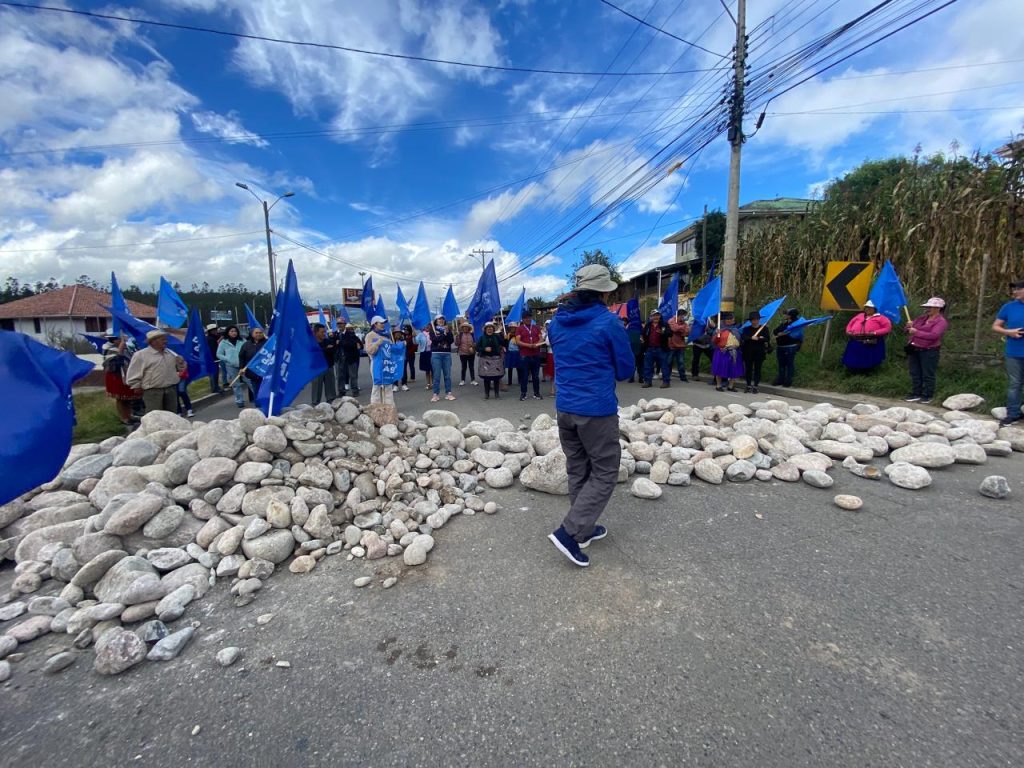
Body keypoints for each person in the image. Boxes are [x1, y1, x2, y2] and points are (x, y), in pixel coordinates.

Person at [546, 264, 635, 568]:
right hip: (596, 410)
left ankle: (582, 528)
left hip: (565, 407)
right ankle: (570, 532)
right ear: (605, 292)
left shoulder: (555, 324)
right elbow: (625, 370)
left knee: (578, 467)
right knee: (605, 469)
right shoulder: (609, 323)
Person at [125, 329, 185, 414]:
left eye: (165, 339)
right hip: (152, 391)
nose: (166, 341)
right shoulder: (141, 355)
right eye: (163, 339)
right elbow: (133, 372)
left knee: (172, 415)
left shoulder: (170, 353)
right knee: (155, 415)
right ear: (153, 341)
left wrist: (181, 363)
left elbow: (180, 369)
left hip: (171, 389)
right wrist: (136, 385)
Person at [905, 297, 949, 404]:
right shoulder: (921, 318)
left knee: (928, 373)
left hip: (929, 350)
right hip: (914, 348)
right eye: (927, 307)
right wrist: (908, 327)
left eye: (931, 307)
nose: (928, 309)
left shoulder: (941, 322)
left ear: (938, 309)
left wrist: (916, 332)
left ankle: (927, 395)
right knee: (915, 372)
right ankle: (916, 393)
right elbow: (908, 330)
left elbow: (934, 335)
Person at [992, 279, 1024, 426]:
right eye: (1014, 289)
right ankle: (1013, 413)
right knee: (1014, 384)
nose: (1014, 292)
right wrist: (1008, 332)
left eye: (1018, 289)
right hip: (1014, 352)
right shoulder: (1008, 307)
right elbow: (996, 326)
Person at [842, 300, 893, 371]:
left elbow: (887, 328)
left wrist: (875, 332)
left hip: (870, 340)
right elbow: (850, 323)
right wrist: (848, 331)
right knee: (852, 357)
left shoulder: (881, 318)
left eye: (869, 307)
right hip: (856, 339)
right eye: (866, 307)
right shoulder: (860, 315)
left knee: (868, 358)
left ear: (874, 309)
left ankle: (867, 372)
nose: (867, 309)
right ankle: (851, 370)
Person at [102, 334, 139, 425]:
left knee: (128, 398)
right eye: (120, 339)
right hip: (116, 376)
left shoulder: (127, 348)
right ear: (113, 340)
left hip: (127, 375)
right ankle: (124, 417)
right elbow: (115, 363)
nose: (123, 341)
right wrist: (121, 349)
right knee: (120, 398)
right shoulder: (108, 348)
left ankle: (129, 415)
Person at [363, 316, 395, 406]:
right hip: (376, 363)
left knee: (388, 385)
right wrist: (377, 343)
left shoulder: (387, 335)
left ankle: (389, 406)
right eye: (381, 323)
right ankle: (375, 406)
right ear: (375, 324)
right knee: (377, 384)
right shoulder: (370, 335)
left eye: (383, 323)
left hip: (387, 363)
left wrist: (399, 346)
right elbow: (369, 350)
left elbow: (391, 350)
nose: (383, 324)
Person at [740, 311, 772, 394]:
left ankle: (756, 386)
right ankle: (748, 385)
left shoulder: (764, 328)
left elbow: (767, 339)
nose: (755, 321)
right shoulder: (746, 329)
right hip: (748, 352)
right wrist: (751, 338)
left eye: (756, 319)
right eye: (753, 320)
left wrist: (759, 338)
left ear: (759, 320)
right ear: (750, 321)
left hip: (759, 352)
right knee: (748, 369)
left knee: (758, 369)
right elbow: (743, 337)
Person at [711, 312, 744, 392]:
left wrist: (737, 345)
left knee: (734, 369)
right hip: (722, 351)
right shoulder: (719, 329)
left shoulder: (735, 329)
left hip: (734, 352)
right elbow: (714, 341)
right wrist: (717, 335)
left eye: (732, 319)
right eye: (729, 319)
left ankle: (730, 386)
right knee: (720, 368)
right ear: (725, 320)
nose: (731, 321)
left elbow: (740, 341)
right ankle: (718, 385)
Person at [215, 325, 246, 408]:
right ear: (228, 332)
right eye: (231, 331)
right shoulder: (224, 342)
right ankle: (239, 400)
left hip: (243, 365)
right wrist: (227, 359)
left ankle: (258, 397)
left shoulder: (242, 340)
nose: (233, 333)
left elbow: (247, 349)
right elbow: (219, 354)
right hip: (231, 365)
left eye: (235, 331)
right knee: (236, 384)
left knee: (249, 381)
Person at [772, 308, 803, 387]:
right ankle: (781, 379)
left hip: (790, 347)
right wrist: (780, 333)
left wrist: (785, 334)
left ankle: (788, 380)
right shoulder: (784, 323)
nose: (785, 315)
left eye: (787, 314)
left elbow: (797, 336)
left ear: (791, 315)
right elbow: (775, 331)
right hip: (781, 346)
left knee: (789, 364)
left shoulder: (797, 324)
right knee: (781, 364)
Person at [640, 309, 671, 389]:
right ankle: (647, 382)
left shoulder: (664, 324)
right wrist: (642, 339)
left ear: (660, 316)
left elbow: (670, 333)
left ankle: (666, 382)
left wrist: (663, 333)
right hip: (649, 349)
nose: (656, 317)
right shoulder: (648, 325)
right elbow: (643, 334)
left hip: (661, 349)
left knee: (664, 366)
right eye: (654, 315)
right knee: (648, 366)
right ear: (651, 317)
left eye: (657, 315)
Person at [516, 310, 543, 401]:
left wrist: (537, 344)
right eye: (526, 318)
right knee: (524, 375)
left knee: (535, 375)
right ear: (523, 319)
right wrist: (529, 345)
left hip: (536, 354)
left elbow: (541, 338)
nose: (528, 319)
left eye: (529, 317)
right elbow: (518, 341)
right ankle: (523, 393)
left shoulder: (536, 327)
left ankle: (537, 393)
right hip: (525, 355)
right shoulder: (519, 328)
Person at [428, 314, 456, 402]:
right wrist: (444, 334)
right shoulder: (433, 329)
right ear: (436, 321)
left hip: (446, 354)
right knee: (436, 375)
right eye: (439, 319)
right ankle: (435, 394)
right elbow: (435, 340)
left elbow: (451, 340)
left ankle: (449, 393)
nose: (441, 320)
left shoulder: (447, 329)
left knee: (447, 375)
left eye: (442, 319)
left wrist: (446, 333)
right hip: (436, 354)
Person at [239, 326, 268, 403]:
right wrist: (241, 368)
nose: (258, 334)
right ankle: (258, 406)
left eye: (260, 333)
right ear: (252, 334)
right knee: (256, 390)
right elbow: (242, 357)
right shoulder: (246, 345)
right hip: (252, 372)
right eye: (256, 333)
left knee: (266, 390)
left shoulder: (268, 343)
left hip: (265, 372)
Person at [311, 323, 338, 405]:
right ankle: (315, 405)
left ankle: (331, 403)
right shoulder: (311, 343)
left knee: (331, 389)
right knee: (316, 389)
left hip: (328, 367)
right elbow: (314, 353)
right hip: (317, 369)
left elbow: (333, 350)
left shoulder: (327, 341)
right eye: (322, 332)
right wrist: (325, 349)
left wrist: (324, 350)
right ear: (316, 332)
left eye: (325, 332)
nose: (324, 334)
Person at [477, 321, 505, 399]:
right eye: (488, 328)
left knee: (496, 377)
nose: (490, 329)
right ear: (485, 329)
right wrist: (484, 349)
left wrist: (506, 339)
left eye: (491, 328)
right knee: (487, 378)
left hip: (496, 359)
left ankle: (496, 394)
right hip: (485, 360)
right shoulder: (482, 338)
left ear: (493, 329)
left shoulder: (497, 337)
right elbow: (477, 348)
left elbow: (503, 344)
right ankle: (487, 394)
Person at [337, 320, 363, 397]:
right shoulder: (336, 334)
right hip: (339, 358)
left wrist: (341, 342)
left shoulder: (351, 334)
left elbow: (353, 344)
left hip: (350, 358)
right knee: (340, 376)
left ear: (344, 324)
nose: (339, 325)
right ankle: (341, 391)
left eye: (341, 323)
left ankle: (355, 390)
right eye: (338, 323)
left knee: (353, 375)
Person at [666, 308, 690, 382]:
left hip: (681, 346)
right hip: (671, 345)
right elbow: (674, 328)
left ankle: (683, 378)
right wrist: (681, 329)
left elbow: (687, 333)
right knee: (669, 362)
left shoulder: (685, 323)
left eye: (684, 316)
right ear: (678, 315)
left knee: (681, 362)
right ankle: (667, 376)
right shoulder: (671, 320)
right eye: (683, 316)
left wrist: (680, 330)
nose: (684, 318)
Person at [690, 315, 715, 383]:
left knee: (714, 358)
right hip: (697, 344)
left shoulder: (708, 318)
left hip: (707, 344)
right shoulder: (695, 319)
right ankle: (695, 374)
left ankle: (716, 375)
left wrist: (710, 326)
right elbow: (691, 330)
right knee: (696, 360)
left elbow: (714, 329)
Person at [205, 324, 223, 393]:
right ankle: (214, 388)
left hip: (213, 358)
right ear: (211, 331)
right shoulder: (210, 339)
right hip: (212, 359)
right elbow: (212, 349)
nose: (216, 331)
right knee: (213, 374)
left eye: (216, 329)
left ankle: (216, 387)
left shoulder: (213, 337)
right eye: (214, 330)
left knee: (215, 374)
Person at [624, 316, 642, 383]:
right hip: (630, 347)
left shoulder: (639, 327)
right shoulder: (628, 327)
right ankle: (631, 377)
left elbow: (643, 336)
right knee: (632, 363)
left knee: (639, 363)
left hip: (639, 347)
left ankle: (641, 377)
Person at [415, 324, 433, 391]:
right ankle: (428, 384)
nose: (427, 327)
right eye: (425, 325)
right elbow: (415, 342)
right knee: (427, 370)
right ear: (423, 327)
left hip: (432, 353)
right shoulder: (420, 334)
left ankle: (434, 383)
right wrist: (414, 337)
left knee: (433, 369)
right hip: (424, 353)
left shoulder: (433, 333)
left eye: (428, 325)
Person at [401, 324, 417, 391]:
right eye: (404, 329)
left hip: (411, 354)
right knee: (404, 368)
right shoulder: (403, 337)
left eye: (406, 330)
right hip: (404, 354)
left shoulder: (412, 336)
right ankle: (404, 380)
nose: (405, 331)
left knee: (411, 366)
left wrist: (413, 337)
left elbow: (415, 345)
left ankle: (412, 377)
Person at [504, 322, 520, 390]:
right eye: (511, 328)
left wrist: (516, 340)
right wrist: (505, 339)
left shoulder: (518, 335)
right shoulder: (508, 335)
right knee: (510, 367)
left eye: (514, 327)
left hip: (517, 352)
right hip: (510, 352)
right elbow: (505, 344)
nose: (512, 329)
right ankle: (509, 381)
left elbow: (520, 343)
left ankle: (520, 381)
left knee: (518, 367)